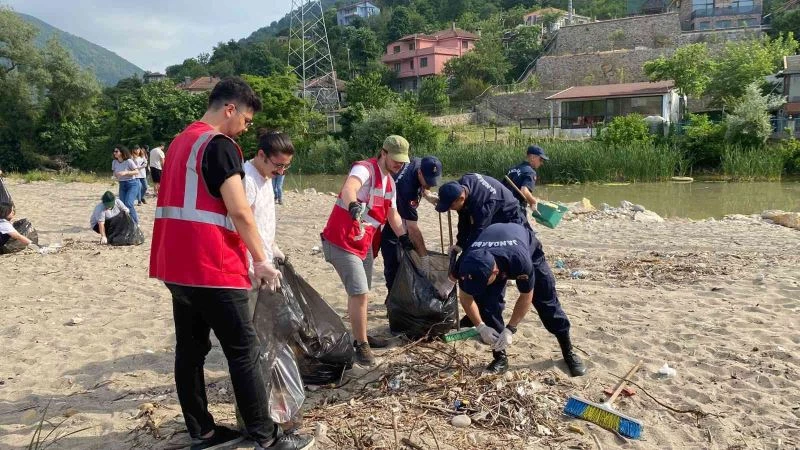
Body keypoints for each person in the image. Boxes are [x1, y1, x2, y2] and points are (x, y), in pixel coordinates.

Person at [149, 77, 314, 450]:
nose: (246, 127)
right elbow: (240, 211)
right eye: (247, 119)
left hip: (174, 265)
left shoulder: (178, 143)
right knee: (245, 352)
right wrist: (261, 259)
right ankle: (266, 437)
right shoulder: (220, 145)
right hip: (212, 265)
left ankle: (203, 433)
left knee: (189, 352)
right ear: (230, 109)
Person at [320, 135, 414, 366]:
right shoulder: (365, 169)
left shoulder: (390, 183)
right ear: (383, 152)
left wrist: (404, 238)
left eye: (402, 162)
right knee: (360, 292)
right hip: (341, 240)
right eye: (395, 159)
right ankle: (361, 345)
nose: (398, 165)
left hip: (363, 244)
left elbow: (392, 214)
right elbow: (350, 188)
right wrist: (353, 204)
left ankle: (360, 336)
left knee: (363, 292)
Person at [456, 222, 587, 377]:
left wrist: (511, 328)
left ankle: (568, 352)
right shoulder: (465, 265)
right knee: (487, 305)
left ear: (495, 272)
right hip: (488, 256)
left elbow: (526, 295)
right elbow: (465, 297)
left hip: (526, 248)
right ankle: (500, 358)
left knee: (546, 301)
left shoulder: (520, 260)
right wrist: (481, 327)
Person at [243, 131, 293, 315]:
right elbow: (238, 224)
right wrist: (249, 265)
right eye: (278, 165)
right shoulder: (246, 180)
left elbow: (263, 220)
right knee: (249, 321)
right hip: (249, 266)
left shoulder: (266, 177)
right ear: (261, 155)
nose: (281, 172)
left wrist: (273, 247)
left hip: (264, 261)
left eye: (286, 166)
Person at [379, 155, 443, 292]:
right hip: (386, 220)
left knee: (408, 256)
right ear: (419, 173)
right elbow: (412, 229)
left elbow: (423, 183)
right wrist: (424, 259)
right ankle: (393, 301)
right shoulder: (407, 189)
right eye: (428, 182)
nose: (430, 185)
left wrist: (427, 194)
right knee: (394, 264)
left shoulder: (419, 163)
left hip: (400, 214)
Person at [435, 173, 528, 253]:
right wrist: (460, 244)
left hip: (510, 215)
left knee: (510, 250)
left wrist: (463, 259)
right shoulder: (461, 184)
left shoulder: (482, 206)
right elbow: (464, 218)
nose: (450, 209)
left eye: (451, 207)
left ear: (461, 199)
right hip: (493, 207)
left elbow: (478, 237)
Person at [504, 145, 548, 217]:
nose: (542, 163)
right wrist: (533, 201)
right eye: (541, 160)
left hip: (503, 205)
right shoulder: (530, 172)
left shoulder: (512, 169)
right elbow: (524, 191)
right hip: (515, 208)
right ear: (533, 157)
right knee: (523, 228)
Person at [112, 145, 140, 224]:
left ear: (122, 152)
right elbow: (114, 172)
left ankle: (135, 223)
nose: (114, 153)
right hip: (122, 185)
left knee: (129, 203)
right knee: (122, 206)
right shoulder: (114, 162)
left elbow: (137, 172)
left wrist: (126, 172)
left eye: (116, 151)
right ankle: (127, 222)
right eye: (114, 151)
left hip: (132, 184)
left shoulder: (129, 161)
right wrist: (115, 175)